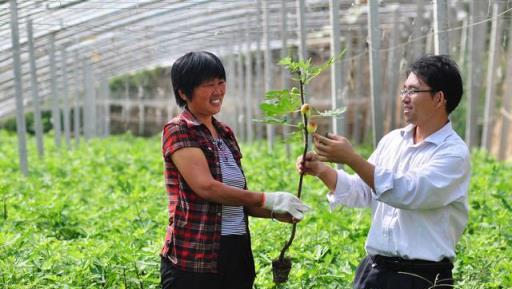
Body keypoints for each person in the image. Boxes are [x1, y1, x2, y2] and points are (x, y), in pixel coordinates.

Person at [297, 55, 470, 289]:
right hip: (375, 271)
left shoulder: (453, 154)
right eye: (404, 90)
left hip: (421, 278)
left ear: (439, 98)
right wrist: (320, 170)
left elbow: (407, 192)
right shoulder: (392, 141)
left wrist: (351, 158)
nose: (404, 98)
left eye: (413, 91)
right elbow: (363, 190)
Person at [160, 51, 310, 289]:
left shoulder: (225, 133)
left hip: (235, 253)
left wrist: (274, 212)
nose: (218, 91)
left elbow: (237, 197)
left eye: (221, 82)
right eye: (208, 85)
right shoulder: (179, 130)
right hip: (195, 257)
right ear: (183, 92)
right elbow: (206, 187)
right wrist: (267, 198)